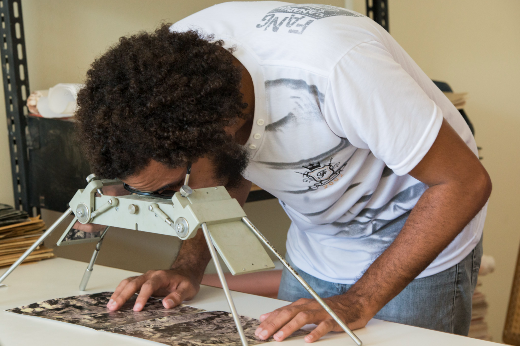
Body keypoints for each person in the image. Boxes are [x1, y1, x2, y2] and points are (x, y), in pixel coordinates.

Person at [74, 2, 491, 343]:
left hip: (418, 236)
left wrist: (360, 300)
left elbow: (464, 182)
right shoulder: (177, 80)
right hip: (314, 246)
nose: (183, 194)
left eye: (175, 185)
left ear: (217, 131)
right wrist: (188, 267)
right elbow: (221, 173)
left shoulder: (337, 69)